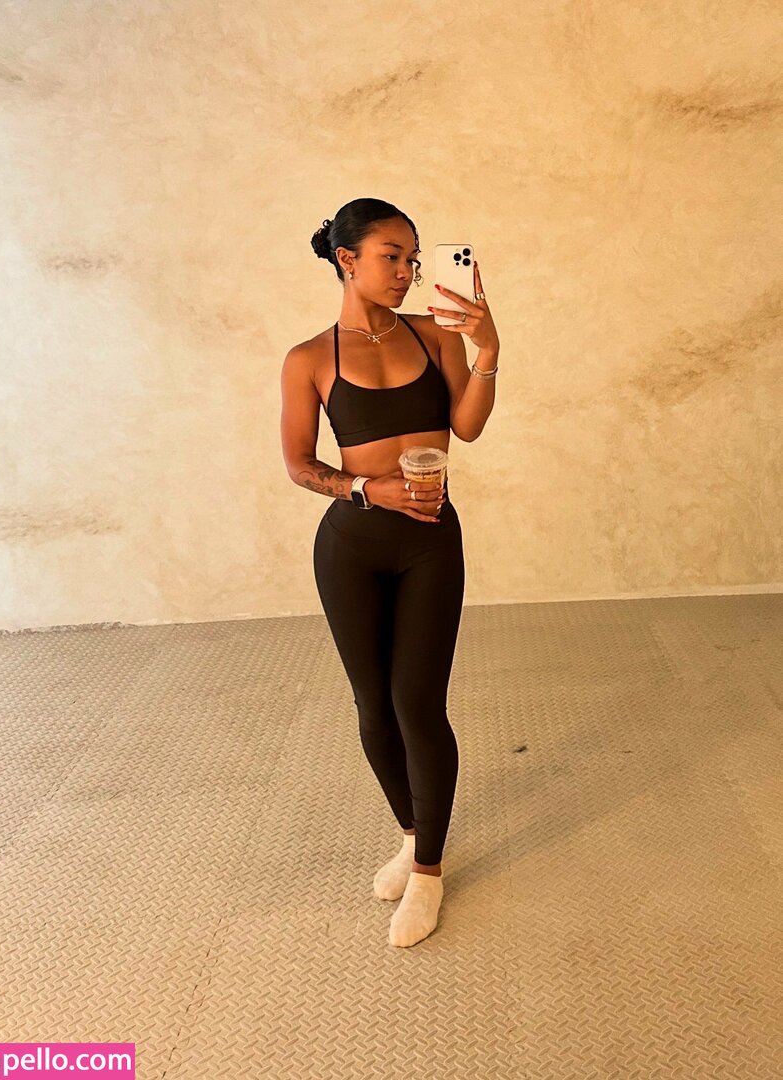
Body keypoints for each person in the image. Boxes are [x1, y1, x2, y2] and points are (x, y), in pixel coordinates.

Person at [280, 197, 500, 947]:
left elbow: (467, 425)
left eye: (414, 257)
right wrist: (366, 489)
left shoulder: (435, 336)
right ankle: (412, 836)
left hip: (431, 540)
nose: (408, 271)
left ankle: (430, 872)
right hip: (351, 545)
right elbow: (299, 465)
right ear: (347, 260)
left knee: (419, 705)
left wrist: (487, 349)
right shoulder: (310, 358)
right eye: (392, 256)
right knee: (373, 705)